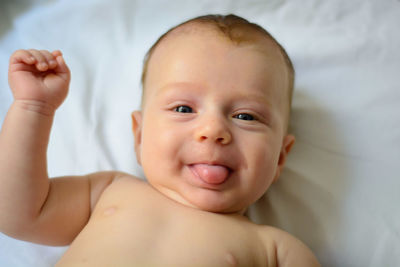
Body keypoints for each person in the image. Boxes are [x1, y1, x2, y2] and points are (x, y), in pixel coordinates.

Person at [0, 14, 320, 266]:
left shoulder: (275, 250)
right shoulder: (106, 192)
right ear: (139, 136)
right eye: (183, 108)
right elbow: (16, 215)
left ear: (280, 156)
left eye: (245, 116)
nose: (213, 130)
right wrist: (33, 108)